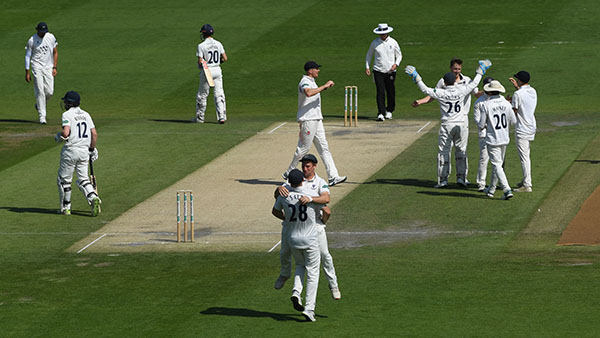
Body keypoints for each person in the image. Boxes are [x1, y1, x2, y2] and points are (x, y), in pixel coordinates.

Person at [404, 59, 492, 188]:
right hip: (461, 124)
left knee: (444, 152)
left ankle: (443, 180)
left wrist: (416, 76)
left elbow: (425, 90)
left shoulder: (441, 92)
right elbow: (474, 84)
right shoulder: (462, 90)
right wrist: (480, 71)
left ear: (445, 82)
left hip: (447, 125)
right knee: (461, 151)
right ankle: (461, 178)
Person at [274, 154, 341, 300]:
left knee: (325, 256)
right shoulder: (295, 180)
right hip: (292, 226)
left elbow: (326, 198)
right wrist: (279, 188)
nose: (304, 168)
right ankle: (284, 275)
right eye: (303, 166)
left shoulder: (319, 182)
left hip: (315, 226)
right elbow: (278, 197)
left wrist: (311, 199)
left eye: (308, 166)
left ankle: (333, 285)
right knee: (284, 253)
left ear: (314, 166)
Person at [282, 61, 347, 187]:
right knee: (304, 148)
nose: (318, 70)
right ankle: (289, 172)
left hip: (316, 119)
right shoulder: (304, 81)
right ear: (309, 70)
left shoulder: (312, 81)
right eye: (316, 69)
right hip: (308, 119)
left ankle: (333, 176)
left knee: (324, 148)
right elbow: (308, 92)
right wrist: (325, 86)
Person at [272, 169, 323, 322]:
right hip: (310, 239)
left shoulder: (284, 194)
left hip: (293, 238)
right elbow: (325, 203)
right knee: (313, 273)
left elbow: (275, 211)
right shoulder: (309, 194)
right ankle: (309, 309)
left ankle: (296, 292)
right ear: (302, 180)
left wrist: (287, 218)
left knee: (300, 265)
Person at [54, 91, 101, 216]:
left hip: (71, 150)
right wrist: (92, 149)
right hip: (84, 151)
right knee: (83, 179)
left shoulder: (66, 115)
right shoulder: (86, 114)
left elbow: (66, 133)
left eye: (65, 102)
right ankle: (93, 198)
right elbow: (94, 134)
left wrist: (59, 136)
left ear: (69, 103)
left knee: (64, 180)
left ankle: (66, 208)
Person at [476, 80, 516, 200]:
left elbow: (481, 124)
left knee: (497, 165)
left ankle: (506, 189)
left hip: (493, 139)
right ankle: (491, 190)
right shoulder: (506, 103)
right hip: (504, 137)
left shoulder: (486, 105)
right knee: (497, 165)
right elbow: (513, 121)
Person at [365, 23, 403, 121]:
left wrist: (396, 64)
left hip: (391, 70)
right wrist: (367, 67)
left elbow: (399, 55)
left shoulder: (393, 42)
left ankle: (389, 110)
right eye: (381, 33)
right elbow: (369, 55)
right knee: (380, 91)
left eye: (384, 33)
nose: (382, 35)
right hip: (378, 70)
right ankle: (381, 113)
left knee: (390, 91)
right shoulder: (374, 43)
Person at [507, 71, 537, 192]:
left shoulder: (517, 94)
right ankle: (525, 180)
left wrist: (508, 102)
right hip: (531, 126)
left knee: (524, 157)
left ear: (520, 80)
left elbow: (514, 111)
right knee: (526, 155)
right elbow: (524, 97)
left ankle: (527, 185)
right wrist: (517, 88)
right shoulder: (533, 91)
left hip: (522, 129)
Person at [193, 24, 228, 124]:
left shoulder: (201, 46)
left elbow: (200, 61)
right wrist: (217, 62)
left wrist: (204, 65)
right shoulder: (218, 43)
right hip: (217, 69)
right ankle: (221, 117)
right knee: (219, 93)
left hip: (207, 70)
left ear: (204, 34)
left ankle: (200, 118)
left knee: (202, 95)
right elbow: (225, 58)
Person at [25, 22, 58, 124]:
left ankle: (39, 105)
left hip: (48, 67)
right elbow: (28, 56)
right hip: (37, 66)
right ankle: (42, 116)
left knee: (49, 91)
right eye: (41, 32)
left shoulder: (51, 37)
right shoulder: (32, 40)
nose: (43, 34)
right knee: (40, 90)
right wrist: (27, 71)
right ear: (37, 31)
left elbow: (55, 52)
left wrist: (54, 67)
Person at [472, 77, 495, 191]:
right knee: (484, 158)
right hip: (484, 134)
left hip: (496, 135)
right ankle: (481, 183)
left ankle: (497, 182)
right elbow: (477, 120)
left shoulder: (498, 100)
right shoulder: (479, 102)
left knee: (498, 160)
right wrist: (488, 125)